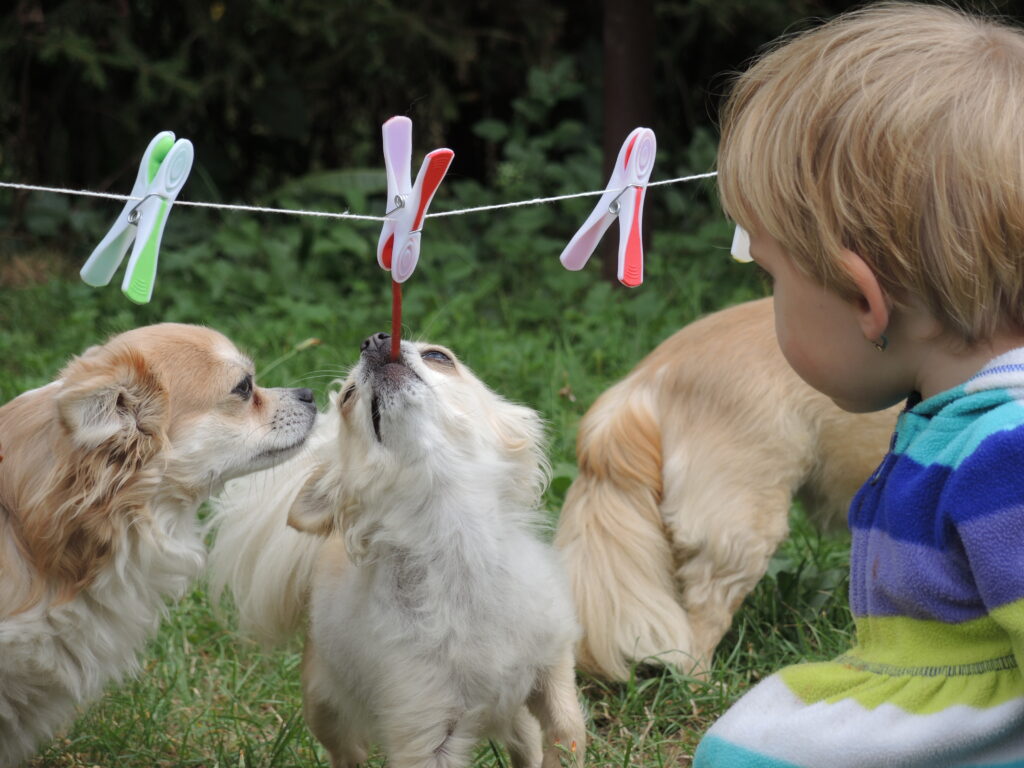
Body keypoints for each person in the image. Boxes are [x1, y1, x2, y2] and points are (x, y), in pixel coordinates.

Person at [695, 4, 1024, 766]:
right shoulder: (974, 426)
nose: (767, 294)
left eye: (770, 274)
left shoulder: (1005, 452)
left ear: (863, 300)